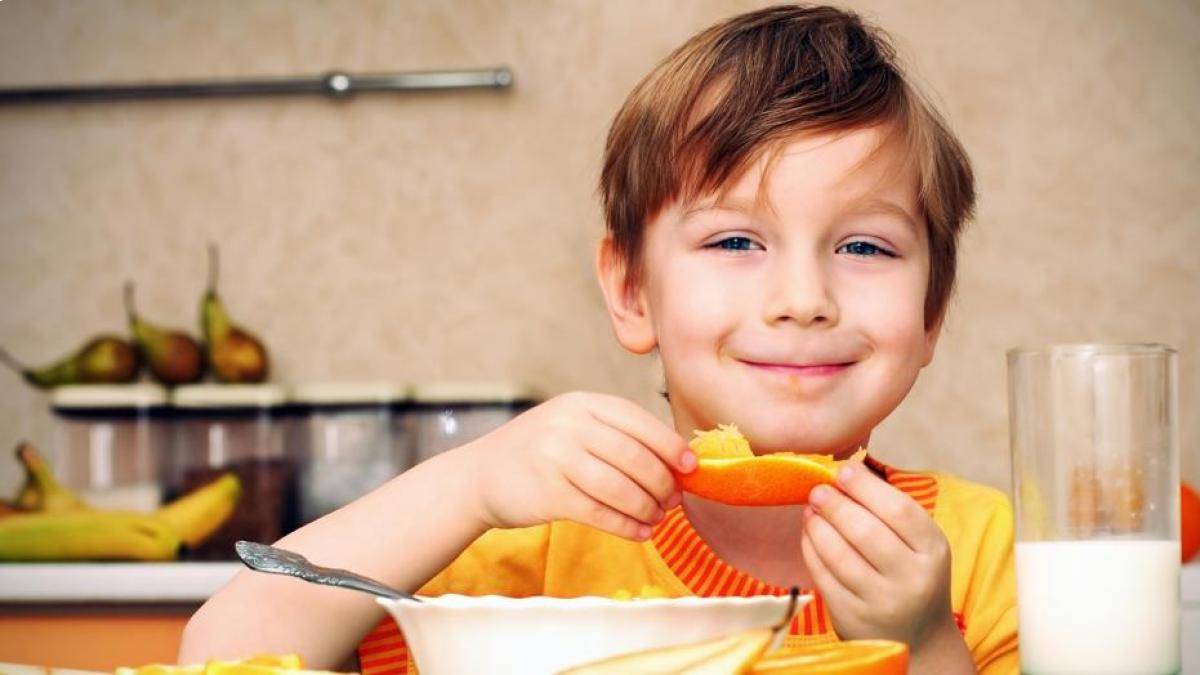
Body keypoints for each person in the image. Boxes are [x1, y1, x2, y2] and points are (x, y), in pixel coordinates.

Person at [180, 5, 1016, 673]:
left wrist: (926, 644)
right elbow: (223, 653)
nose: (804, 300)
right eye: (735, 242)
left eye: (865, 247)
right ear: (629, 292)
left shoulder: (990, 550)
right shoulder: (535, 549)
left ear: (933, 308)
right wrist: (471, 483)